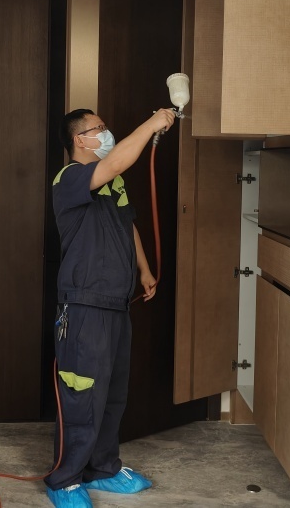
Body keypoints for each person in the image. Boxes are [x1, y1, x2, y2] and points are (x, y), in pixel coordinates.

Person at [45, 107, 176, 508]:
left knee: (112, 395)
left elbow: (126, 224)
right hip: (83, 306)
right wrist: (152, 124)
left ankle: (102, 468)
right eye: (98, 128)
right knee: (81, 395)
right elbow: (117, 160)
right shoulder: (70, 178)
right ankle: (65, 479)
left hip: (116, 303)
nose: (106, 132)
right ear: (80, 140)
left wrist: (144, 269)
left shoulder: (113, 182)